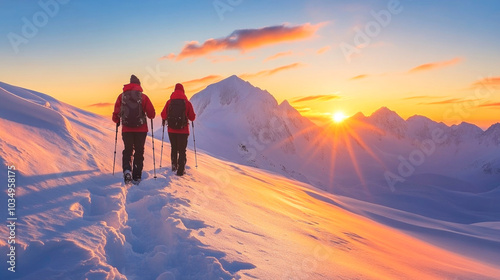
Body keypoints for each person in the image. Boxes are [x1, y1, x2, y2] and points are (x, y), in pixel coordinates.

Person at [112, 75, 155, 184]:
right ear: (139, 84)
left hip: (127, 129)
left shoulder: (121, 97)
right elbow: (151, 114)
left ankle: (127, 170)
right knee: (139, 151)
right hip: (141, 130)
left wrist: (117, 119)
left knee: (128, 150)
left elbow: (115, 115)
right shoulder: (143, 97)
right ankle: (137, 175)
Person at [161, 83, 196, 176]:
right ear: (183, 91)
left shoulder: (169, 102)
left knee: (174, 148)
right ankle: (181, 170)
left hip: (171, 130)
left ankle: (174, 166)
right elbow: (192, 117)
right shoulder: (187, 103)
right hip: (183, 131)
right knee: (182, 150)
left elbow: (163, 115)